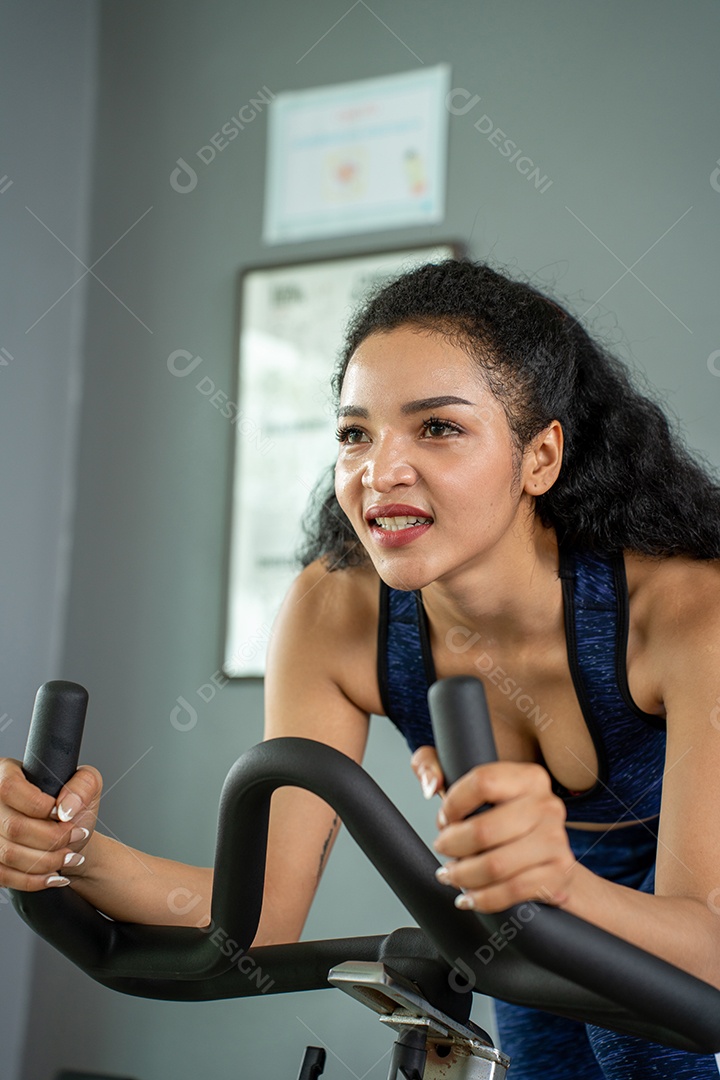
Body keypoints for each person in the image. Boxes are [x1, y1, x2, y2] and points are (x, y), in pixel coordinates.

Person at [2, 258, 720, 1078]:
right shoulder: (335, 612)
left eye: (438, 427)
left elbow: (706, 946)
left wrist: (558, 885)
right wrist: (67, 849)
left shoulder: (687, 614)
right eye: (355, 434)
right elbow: (260, 918)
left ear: (540, 456)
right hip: (524, 923)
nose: (380, 472)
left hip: (663, 937)